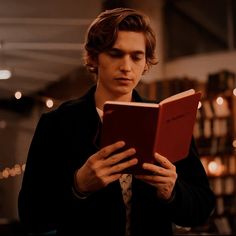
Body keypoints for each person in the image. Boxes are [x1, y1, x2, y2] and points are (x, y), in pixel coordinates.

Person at [18, 7, 215, 236]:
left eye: (136, 56)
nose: (126, 67)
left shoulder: (165, 118)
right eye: (115, 53)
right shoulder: (57, 124)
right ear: (93, 57)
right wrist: (78, 186)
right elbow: (31, 217)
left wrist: (173, 191)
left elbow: (203, 208)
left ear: (146, 62)